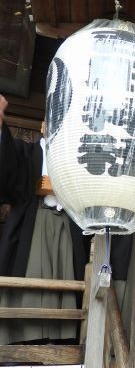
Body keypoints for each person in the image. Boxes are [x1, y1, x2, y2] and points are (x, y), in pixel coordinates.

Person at [0, 95, 87, 345]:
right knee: (33, 275)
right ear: (43, 126)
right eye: (54, 122)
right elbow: (8, 173)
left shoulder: (73, 160)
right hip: (35, 221)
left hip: (64, 224)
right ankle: (22, 338)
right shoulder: (26, 151)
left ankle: (60, 337)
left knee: (64, 277)